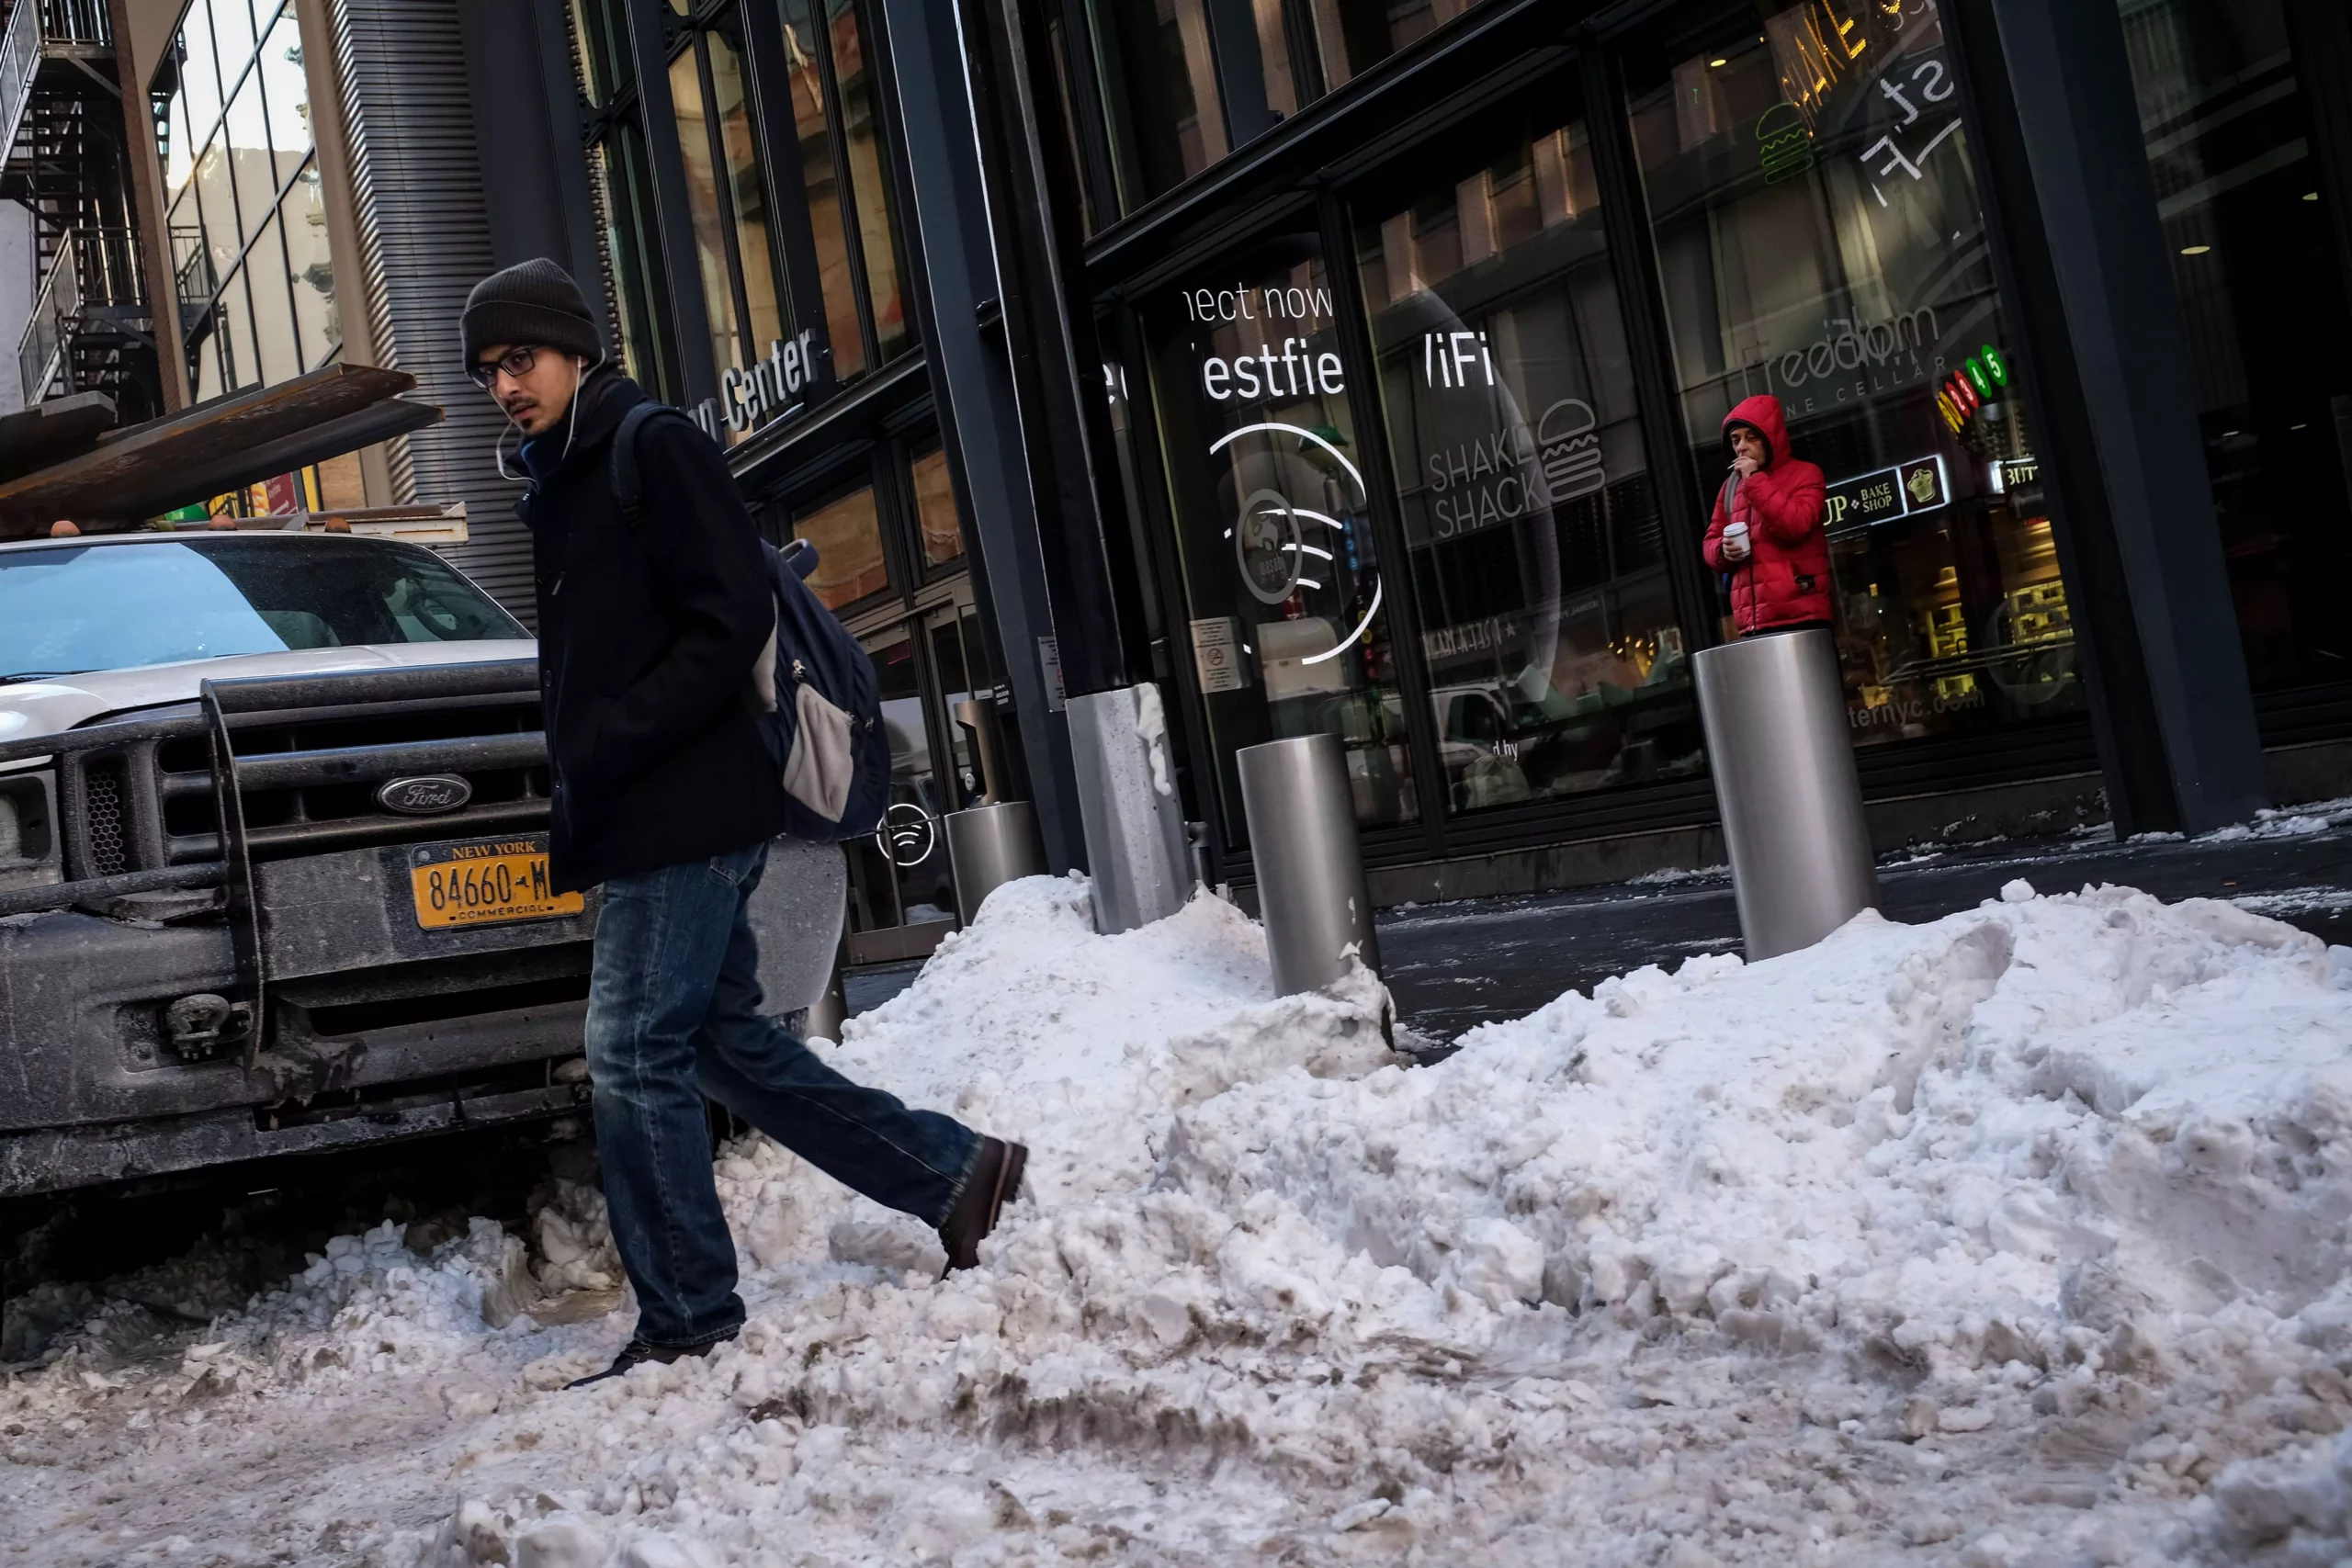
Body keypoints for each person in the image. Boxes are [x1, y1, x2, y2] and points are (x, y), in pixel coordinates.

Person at [459, 258, 1026, 1387]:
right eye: (487, 370)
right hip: (642, 807)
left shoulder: (649, 447)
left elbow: (727, 623)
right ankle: (957, 1175)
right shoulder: (565, 473)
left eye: (519, 359)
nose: (504, 386)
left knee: (629, 1054)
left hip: (682, 803)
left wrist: (617, 737)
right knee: (727, 1046)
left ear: (576, 351)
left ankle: (687, 1315)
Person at [1701, 394, 1830, 637]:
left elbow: (1796, 525)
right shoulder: (1730, 487)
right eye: (1735, 439)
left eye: (1751, 437)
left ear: (1771, 438)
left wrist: (1755, 481)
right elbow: (1710, 542)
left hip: (1801, 615)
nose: (1741, 446)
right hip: (1752, 623)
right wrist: (1722, 550)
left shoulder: (1806, 475)